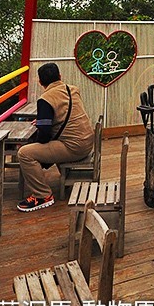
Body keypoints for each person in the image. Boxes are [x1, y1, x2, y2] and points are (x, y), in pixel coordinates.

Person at [17, 62, 95, 212]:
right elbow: (65, 114)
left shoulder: (45, 99)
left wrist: (37, 144)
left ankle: (42, 195)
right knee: (43, 146)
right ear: (60, 76)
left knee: (25, 153)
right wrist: (42, 122)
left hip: (73, 148)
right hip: (87, 142)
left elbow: (45, 135)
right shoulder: (72, 89)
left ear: (40, 82)